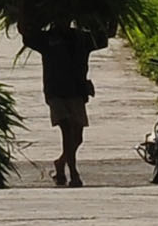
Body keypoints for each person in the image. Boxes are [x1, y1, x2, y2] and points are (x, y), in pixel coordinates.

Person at [22, 21, 101, 186]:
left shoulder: (81, 38)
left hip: (77, 92)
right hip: (55, 91)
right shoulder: (47, 39)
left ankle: (60, 162)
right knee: (67, 129)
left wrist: (107, 16)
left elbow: (104, 38)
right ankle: (73, 173)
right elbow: (26, 34)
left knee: (77, 137)